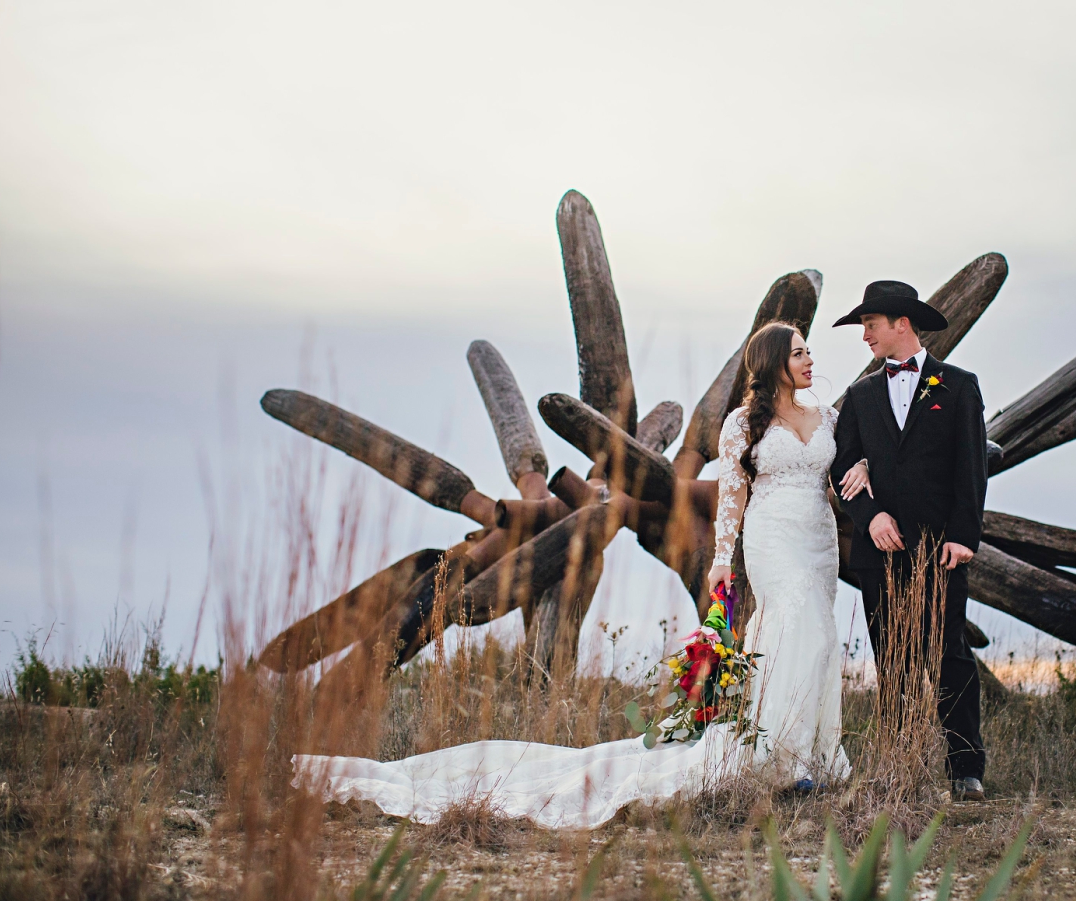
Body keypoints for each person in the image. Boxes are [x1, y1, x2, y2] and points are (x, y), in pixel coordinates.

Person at [292, 322, 849, 830]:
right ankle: (783, 755)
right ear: (775, 362)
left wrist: (864, 469)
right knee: (790, 626)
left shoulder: (823, 416)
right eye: (798, 352)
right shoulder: (741, 426)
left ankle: (816, 751)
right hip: (774, 540)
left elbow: (843, 462)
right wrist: (723, 559)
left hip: (817, 539)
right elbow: (731, 497)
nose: (808, 359)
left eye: (808, 351)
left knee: (819, 634)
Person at [829, 280, 989, 801]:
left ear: (902, 324)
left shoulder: (958, 386)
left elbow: (973, 466)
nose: (864, 337)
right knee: (892, 660)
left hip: (941, 550)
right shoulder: (860, 395)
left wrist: (965, 536)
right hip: (878, 553)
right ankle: (901, 764)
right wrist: (869, 517)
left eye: (869, 326)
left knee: (949, 657)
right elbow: (840, 471)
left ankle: (965, 767)